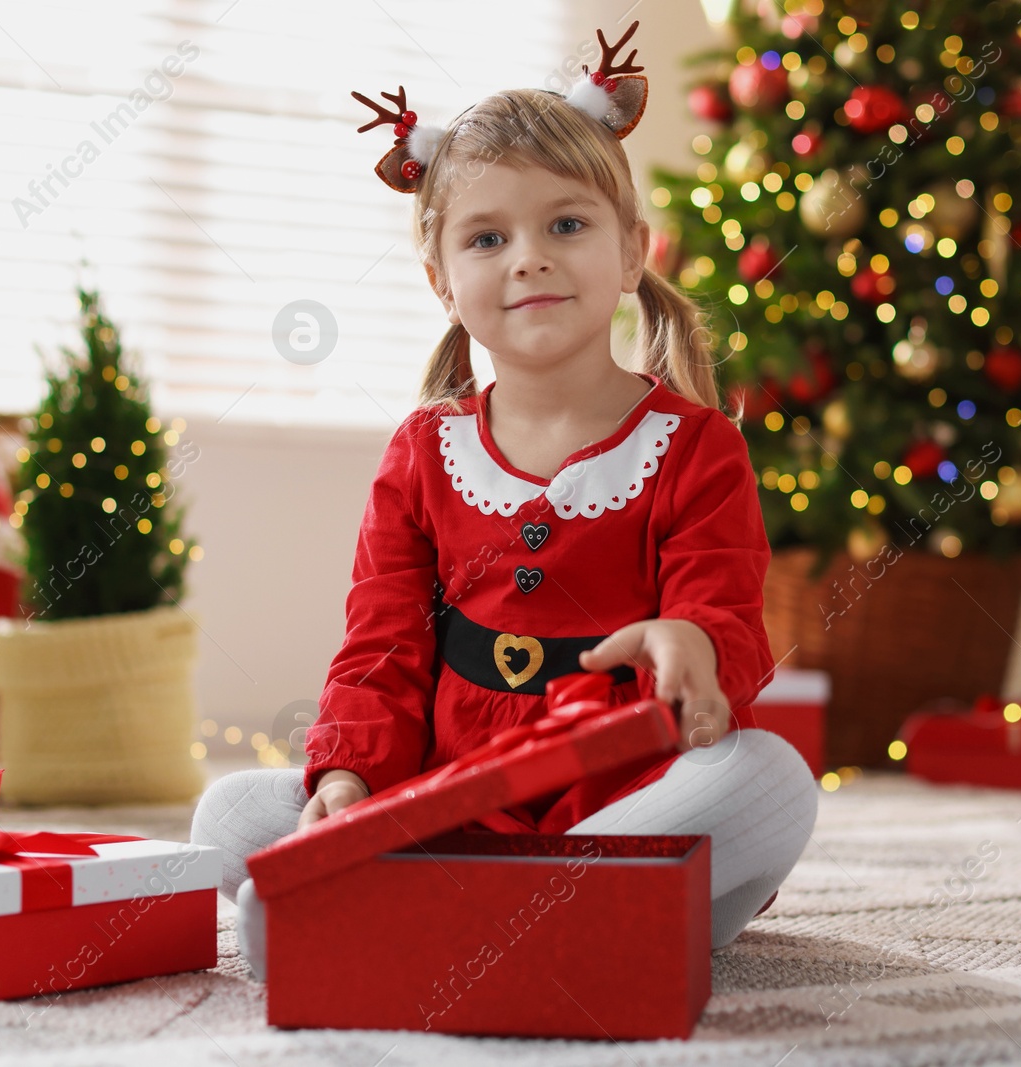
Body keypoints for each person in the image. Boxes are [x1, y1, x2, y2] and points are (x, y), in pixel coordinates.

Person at [192, 20, 818, 982]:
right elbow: (381, 643)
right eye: (489, 237)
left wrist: (694, 647)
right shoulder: (423, 453)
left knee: (771, 783)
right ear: (444, 280)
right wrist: (351, 776)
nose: (528, 258)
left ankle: (456, 920)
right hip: (446, 800)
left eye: (567, 224)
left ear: (631, 251)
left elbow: (723, 614)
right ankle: (563, 926)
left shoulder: (698, 448)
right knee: (230, 811)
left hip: (625, 792)